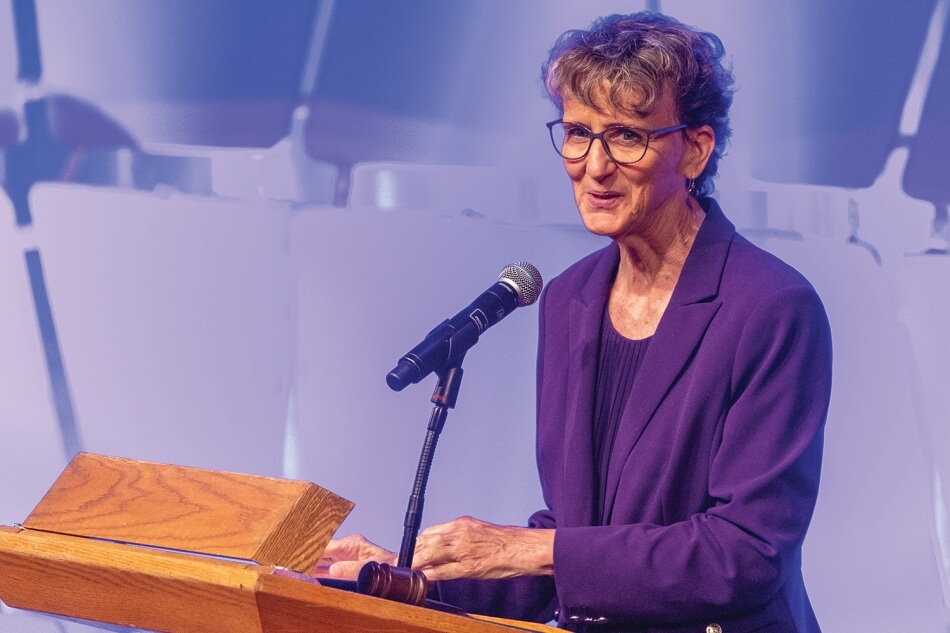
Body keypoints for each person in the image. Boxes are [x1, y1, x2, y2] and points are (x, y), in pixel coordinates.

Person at [316, 11, 832, 633]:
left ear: (695, 149)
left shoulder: (771, 307)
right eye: (578, 132)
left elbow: (744, 554)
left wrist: (528, 549)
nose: (594, 164)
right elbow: (575, 550)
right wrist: (407, 578)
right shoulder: (569, 300)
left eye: (626, 136)